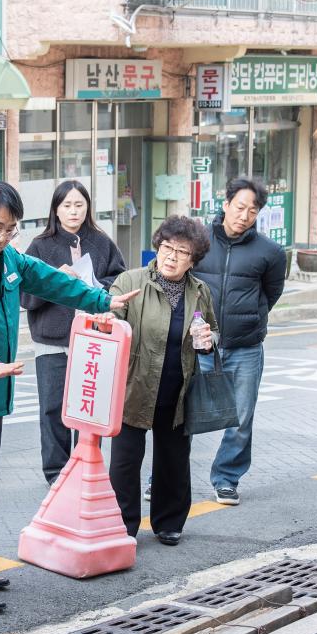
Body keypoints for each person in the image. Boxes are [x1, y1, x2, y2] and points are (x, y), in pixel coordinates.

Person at [0, 178, 139, 613]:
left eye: (10, 230)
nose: (2, 238)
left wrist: (101, 301)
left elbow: (49, 281)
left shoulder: (5, 259)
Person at [108, 216, 216, 547]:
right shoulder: (130, 282)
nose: (171, 256)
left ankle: (169, 521)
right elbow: (110, 320)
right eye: (167, 247)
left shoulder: (199, 292)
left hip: (177, 389)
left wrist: (210, 339)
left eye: (182, 251)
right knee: (125, 463)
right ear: (158, 246)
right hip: (133, 387)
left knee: (173, 459)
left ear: (193, 259)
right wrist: (108, 319)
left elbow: (211, 328)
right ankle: (123, 525)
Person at [21, 180, 126, 484]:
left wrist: (94, 284)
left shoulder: (102, 242)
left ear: (88, 208)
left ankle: (87, 467)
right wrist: (55, 279)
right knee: (53, 409)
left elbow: (119, 282)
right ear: (55, 209)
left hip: (95, 339)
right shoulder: (39, 246)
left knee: (91, 410)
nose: (73, 211)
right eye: (66, 205)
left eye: (79, 204)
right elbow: (25, 297)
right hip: (52, 341)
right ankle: (56, 473)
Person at [193, 177, 287, 506]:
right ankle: (162, 477)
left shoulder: (271, 252)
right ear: (226, 203)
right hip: (199, 344)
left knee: (241, 416)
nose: (244, 215)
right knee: (180, 413)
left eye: (252, 210)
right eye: (239, 206)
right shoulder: (198, 240)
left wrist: (248, 318)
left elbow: (271, 293)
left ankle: (227, 478)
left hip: (246, 347)